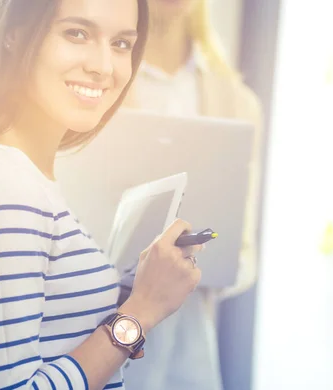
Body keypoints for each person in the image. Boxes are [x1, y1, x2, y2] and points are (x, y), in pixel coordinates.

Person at [0, 0, 202, 389]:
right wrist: (139, 312)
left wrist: (136, 289)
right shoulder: (1, 187)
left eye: (121, 43)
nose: (103, 66)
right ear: (14, 34)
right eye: (77, 33)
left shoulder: (22, 179)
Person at [120, 0, 264, 389]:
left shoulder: (238, 101)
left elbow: (243, 249)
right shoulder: (100, 78)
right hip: (99, 329)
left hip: (188, 348)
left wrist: (203, 269)